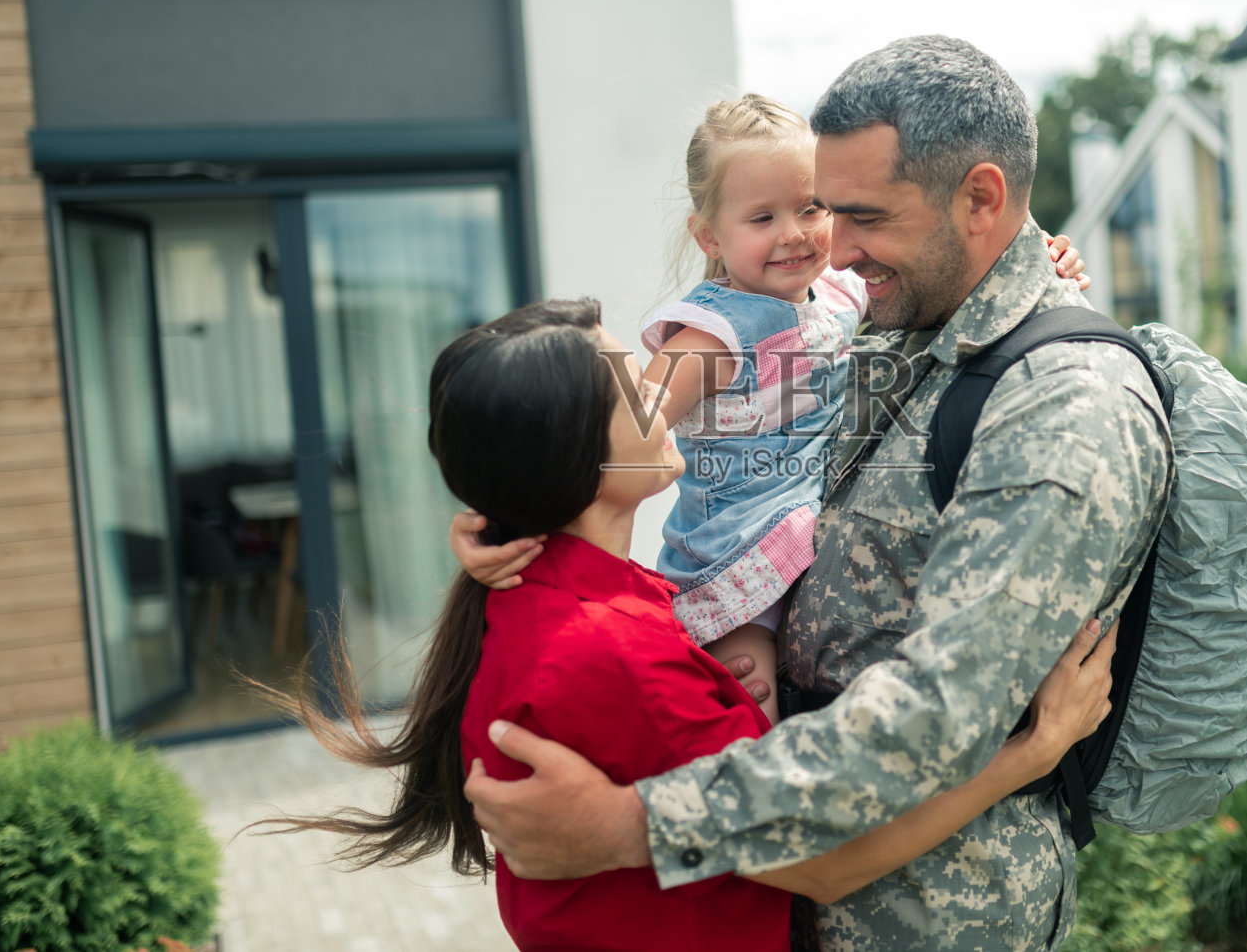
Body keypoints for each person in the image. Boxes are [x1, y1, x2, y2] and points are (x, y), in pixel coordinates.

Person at [456, 36, 1174, 952]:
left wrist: (629, 826)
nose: (831, 245)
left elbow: (930, 720)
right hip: (794, 898)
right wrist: (513, 503)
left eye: (849, 215)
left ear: (981, 200)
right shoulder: (897, 318)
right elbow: (616, 425)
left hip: (932, 920)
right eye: (816, 211)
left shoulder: (1064, 405)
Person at [249, 296, 1120, 952]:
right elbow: (825, 860)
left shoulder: (539, 600)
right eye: (634, 387)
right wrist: (1035, 751)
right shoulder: (615, 651)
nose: (661, 394)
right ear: (578, 456)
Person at [462, 94, 1089, 725]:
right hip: (739, 560)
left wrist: (1040, 259)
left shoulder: (841, 289)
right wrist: (503, 525)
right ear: (710, 236)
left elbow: (949, 269)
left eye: (811, 207)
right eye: (762, 217)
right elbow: (609, 437)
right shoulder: (711, 337)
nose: (793, 232)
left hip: (822, 535)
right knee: (752, 715)